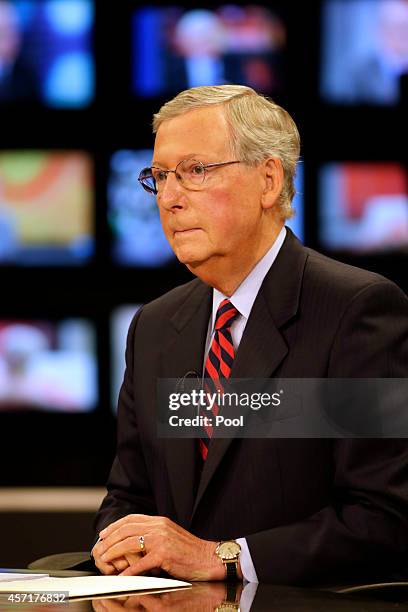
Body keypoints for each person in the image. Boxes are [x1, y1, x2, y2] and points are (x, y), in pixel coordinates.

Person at [92, 85, 408, 585]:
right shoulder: (153, 326)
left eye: (194, 171)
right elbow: (129, 498)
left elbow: (384, 518)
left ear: (267, 179)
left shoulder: (354, 311)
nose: (169, 199)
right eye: (159, 177)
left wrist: (224, 557)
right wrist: (121, 544)